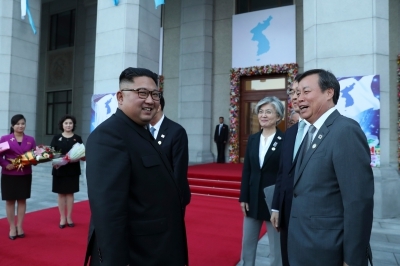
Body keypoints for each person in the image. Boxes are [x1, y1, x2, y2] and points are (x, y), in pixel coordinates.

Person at [84, 67, 188, 266]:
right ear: (120, 97)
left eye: (155, 94)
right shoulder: (110, 136)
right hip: (136, 255)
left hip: (156, 249)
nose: (150, 100)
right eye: (142, 93)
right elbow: (108, 213)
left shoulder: (140, 131)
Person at [288, 69, 374, 265]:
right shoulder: (309, 132)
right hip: (302, 244)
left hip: (327, 250)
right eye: (297, 93)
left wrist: (352, 259)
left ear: (329, 92)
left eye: (306, 91)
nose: (299, 98)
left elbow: (358, 202)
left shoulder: (345, 131)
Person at [239, 96, 284, 266]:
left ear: (278, 117)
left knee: (276, 246)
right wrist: (243, 197)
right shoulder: (253, 139)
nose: (263, 115)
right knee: (248, 243)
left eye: (268, 112)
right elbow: (247, 170)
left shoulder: (285, 140)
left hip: (273, 199)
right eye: (261, 111)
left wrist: (278, 205)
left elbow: (283, 174)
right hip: (253, 198)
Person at [270, 76, 305, 266]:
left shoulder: (340, 131)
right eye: (292, 92)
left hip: (314, 223)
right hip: (286, 213)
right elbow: (283, 173)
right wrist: (276, 206)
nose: (296, 97)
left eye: (301, 92)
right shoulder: (290, 133)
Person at [149, 96, 191, 213]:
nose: (145, 110)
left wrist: (174, 200)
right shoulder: (143, 130)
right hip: (148, 199)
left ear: (158, 108)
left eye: (149, 107)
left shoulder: (176, 131)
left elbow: (179, 171)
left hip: (169, 198)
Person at [0, 114, 36, 240]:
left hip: (24, 174)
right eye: (18, 124)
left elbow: (34, 156)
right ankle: (11, 227)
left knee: (22, 200)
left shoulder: (30, 140)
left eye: (23, 123)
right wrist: (5, 164)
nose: (20, 126)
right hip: (9, 174)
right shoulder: (5, 139)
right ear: (12, 125)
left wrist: (34, 160)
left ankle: (20, 226)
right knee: (10, 201)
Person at [50, 115, 83, 229]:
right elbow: (51, 153)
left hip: (72, 169)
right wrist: (57, 160)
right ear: (62, 125)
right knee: (61, 194)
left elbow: (82, 154)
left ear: (73, 125)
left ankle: (69, 217)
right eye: (66, 123)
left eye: (70, 123)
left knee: (70, 194)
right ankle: (62, 217)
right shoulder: (56, 138)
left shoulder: (77, 138)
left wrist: (77, 157)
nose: (68, 125)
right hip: (60, 169)